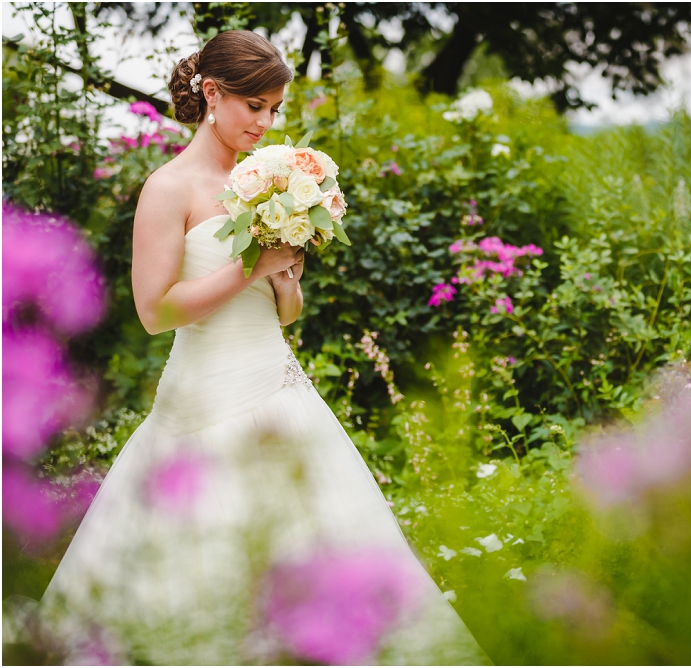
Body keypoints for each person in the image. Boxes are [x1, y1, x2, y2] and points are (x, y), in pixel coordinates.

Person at [39, 30, 490, 666]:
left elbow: (284, 312)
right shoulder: (169, 189)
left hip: (280, 390)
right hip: (201, 404)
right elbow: (153, 311)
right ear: (213, 93)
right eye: (255, 106)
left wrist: (284, 281)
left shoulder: (270, 181)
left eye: (274, 108)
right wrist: (250, 267)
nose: (267, 121)